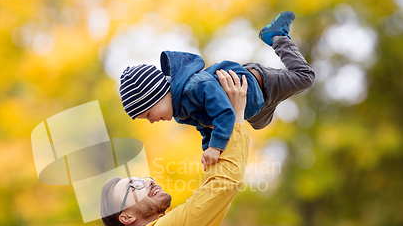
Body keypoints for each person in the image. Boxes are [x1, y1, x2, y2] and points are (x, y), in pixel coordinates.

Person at [100, 69, 258, 226]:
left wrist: (217, 138)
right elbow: (221, 188)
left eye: (142, 177)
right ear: (126, 217)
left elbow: (216, 193)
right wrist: (237, 118)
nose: (148, 180)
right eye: (134, 186)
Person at [119, 11, 315, 170]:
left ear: (158, 94)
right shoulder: (180, 112)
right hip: (257, 108)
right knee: (260, 125)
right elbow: (205, 127)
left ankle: (277, 36)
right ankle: (278, 97)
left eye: (148, 114)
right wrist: (209, 153)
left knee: (305, 77)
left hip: (261, 85)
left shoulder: (195, 86)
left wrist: (216, 147)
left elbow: (224, 112)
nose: (152, 121)